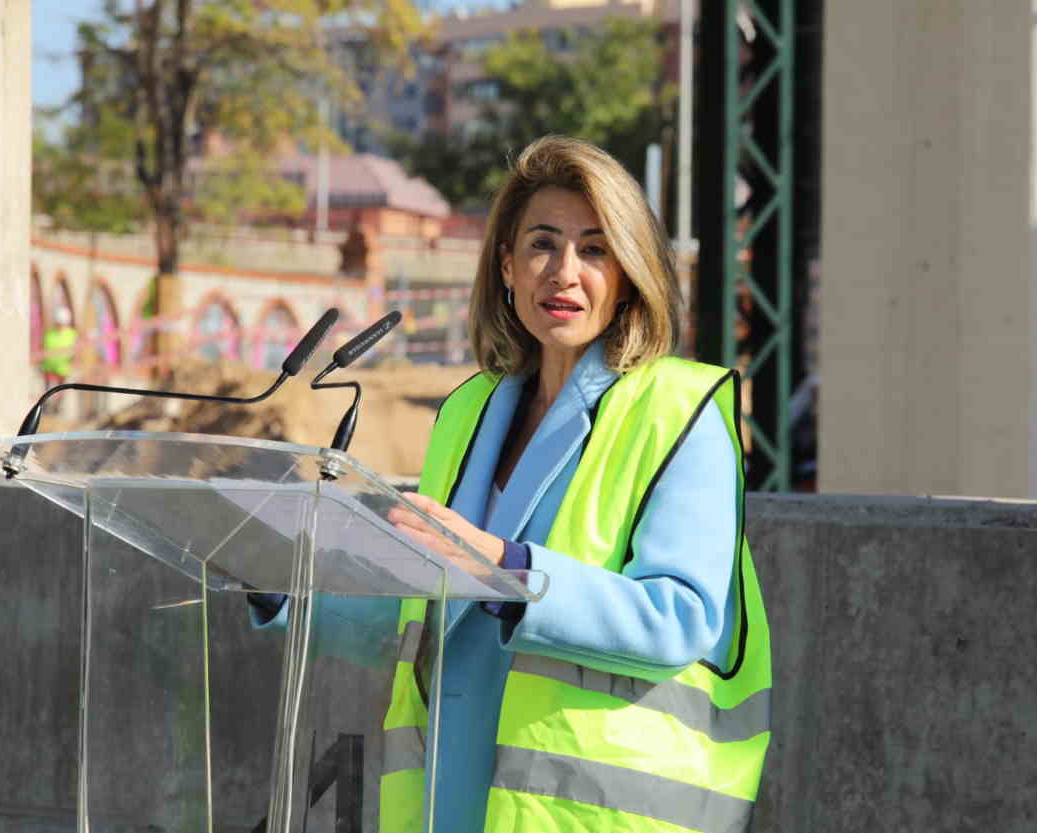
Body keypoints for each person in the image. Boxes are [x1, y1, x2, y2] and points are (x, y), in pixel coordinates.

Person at [251, 136, 770, 833]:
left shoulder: (680, 412)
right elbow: (428, 606)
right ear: (506, 265)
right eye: (542, 245)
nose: (564, 272)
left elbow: (681, 616)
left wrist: (508, 569)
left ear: (629, 272)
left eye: (595, 249)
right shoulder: (469, 412)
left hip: (587, 813)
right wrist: (275, 583)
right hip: (453, 793)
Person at [40, 308, 77, 389]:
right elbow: (43, 349)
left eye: (63, 324)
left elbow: (76, 353)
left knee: (59, 395)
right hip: (49, 370)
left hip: (63, 372)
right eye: (60, 324)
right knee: (48, 394)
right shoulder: (49, 334)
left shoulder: (72, 334)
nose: (61, 326)